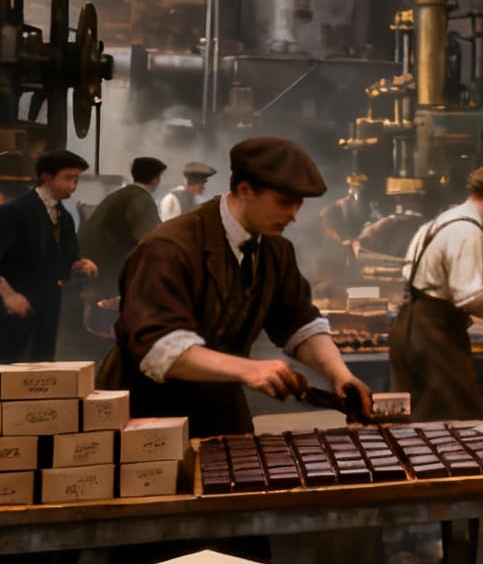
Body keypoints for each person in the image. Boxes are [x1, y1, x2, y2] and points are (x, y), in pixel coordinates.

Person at [102, 137, 371, 437]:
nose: (294, 215)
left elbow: (299, 323)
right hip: (150, 414)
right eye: (285, 202)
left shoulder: (275, 250)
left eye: (299, 204)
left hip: (222, 409)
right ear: (245, 190)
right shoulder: (168, 248)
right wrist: (250, 369)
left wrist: (340, 375)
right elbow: (158, 347)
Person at [391, 167, 483, 421]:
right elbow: (472, 298)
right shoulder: (467, 232)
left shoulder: (439, 222)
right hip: (434, 338)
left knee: (419, 425)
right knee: (457, 424)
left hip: (408, 329)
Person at [0, 151, 97, 364]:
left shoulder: (65, 217)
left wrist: (79, 265)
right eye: (68, 178)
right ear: (46, 176)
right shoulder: (15, 212)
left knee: (42, 366)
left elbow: (62, 258)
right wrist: (9, 296)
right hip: (12, 310)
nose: (73, 185)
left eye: (76, 180)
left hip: (48, 306)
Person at [86, 157, 165, 295]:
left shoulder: (120, 194)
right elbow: (148, 237)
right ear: (155, 179)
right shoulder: (140, 198)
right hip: (112, 267)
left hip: (96, 262)